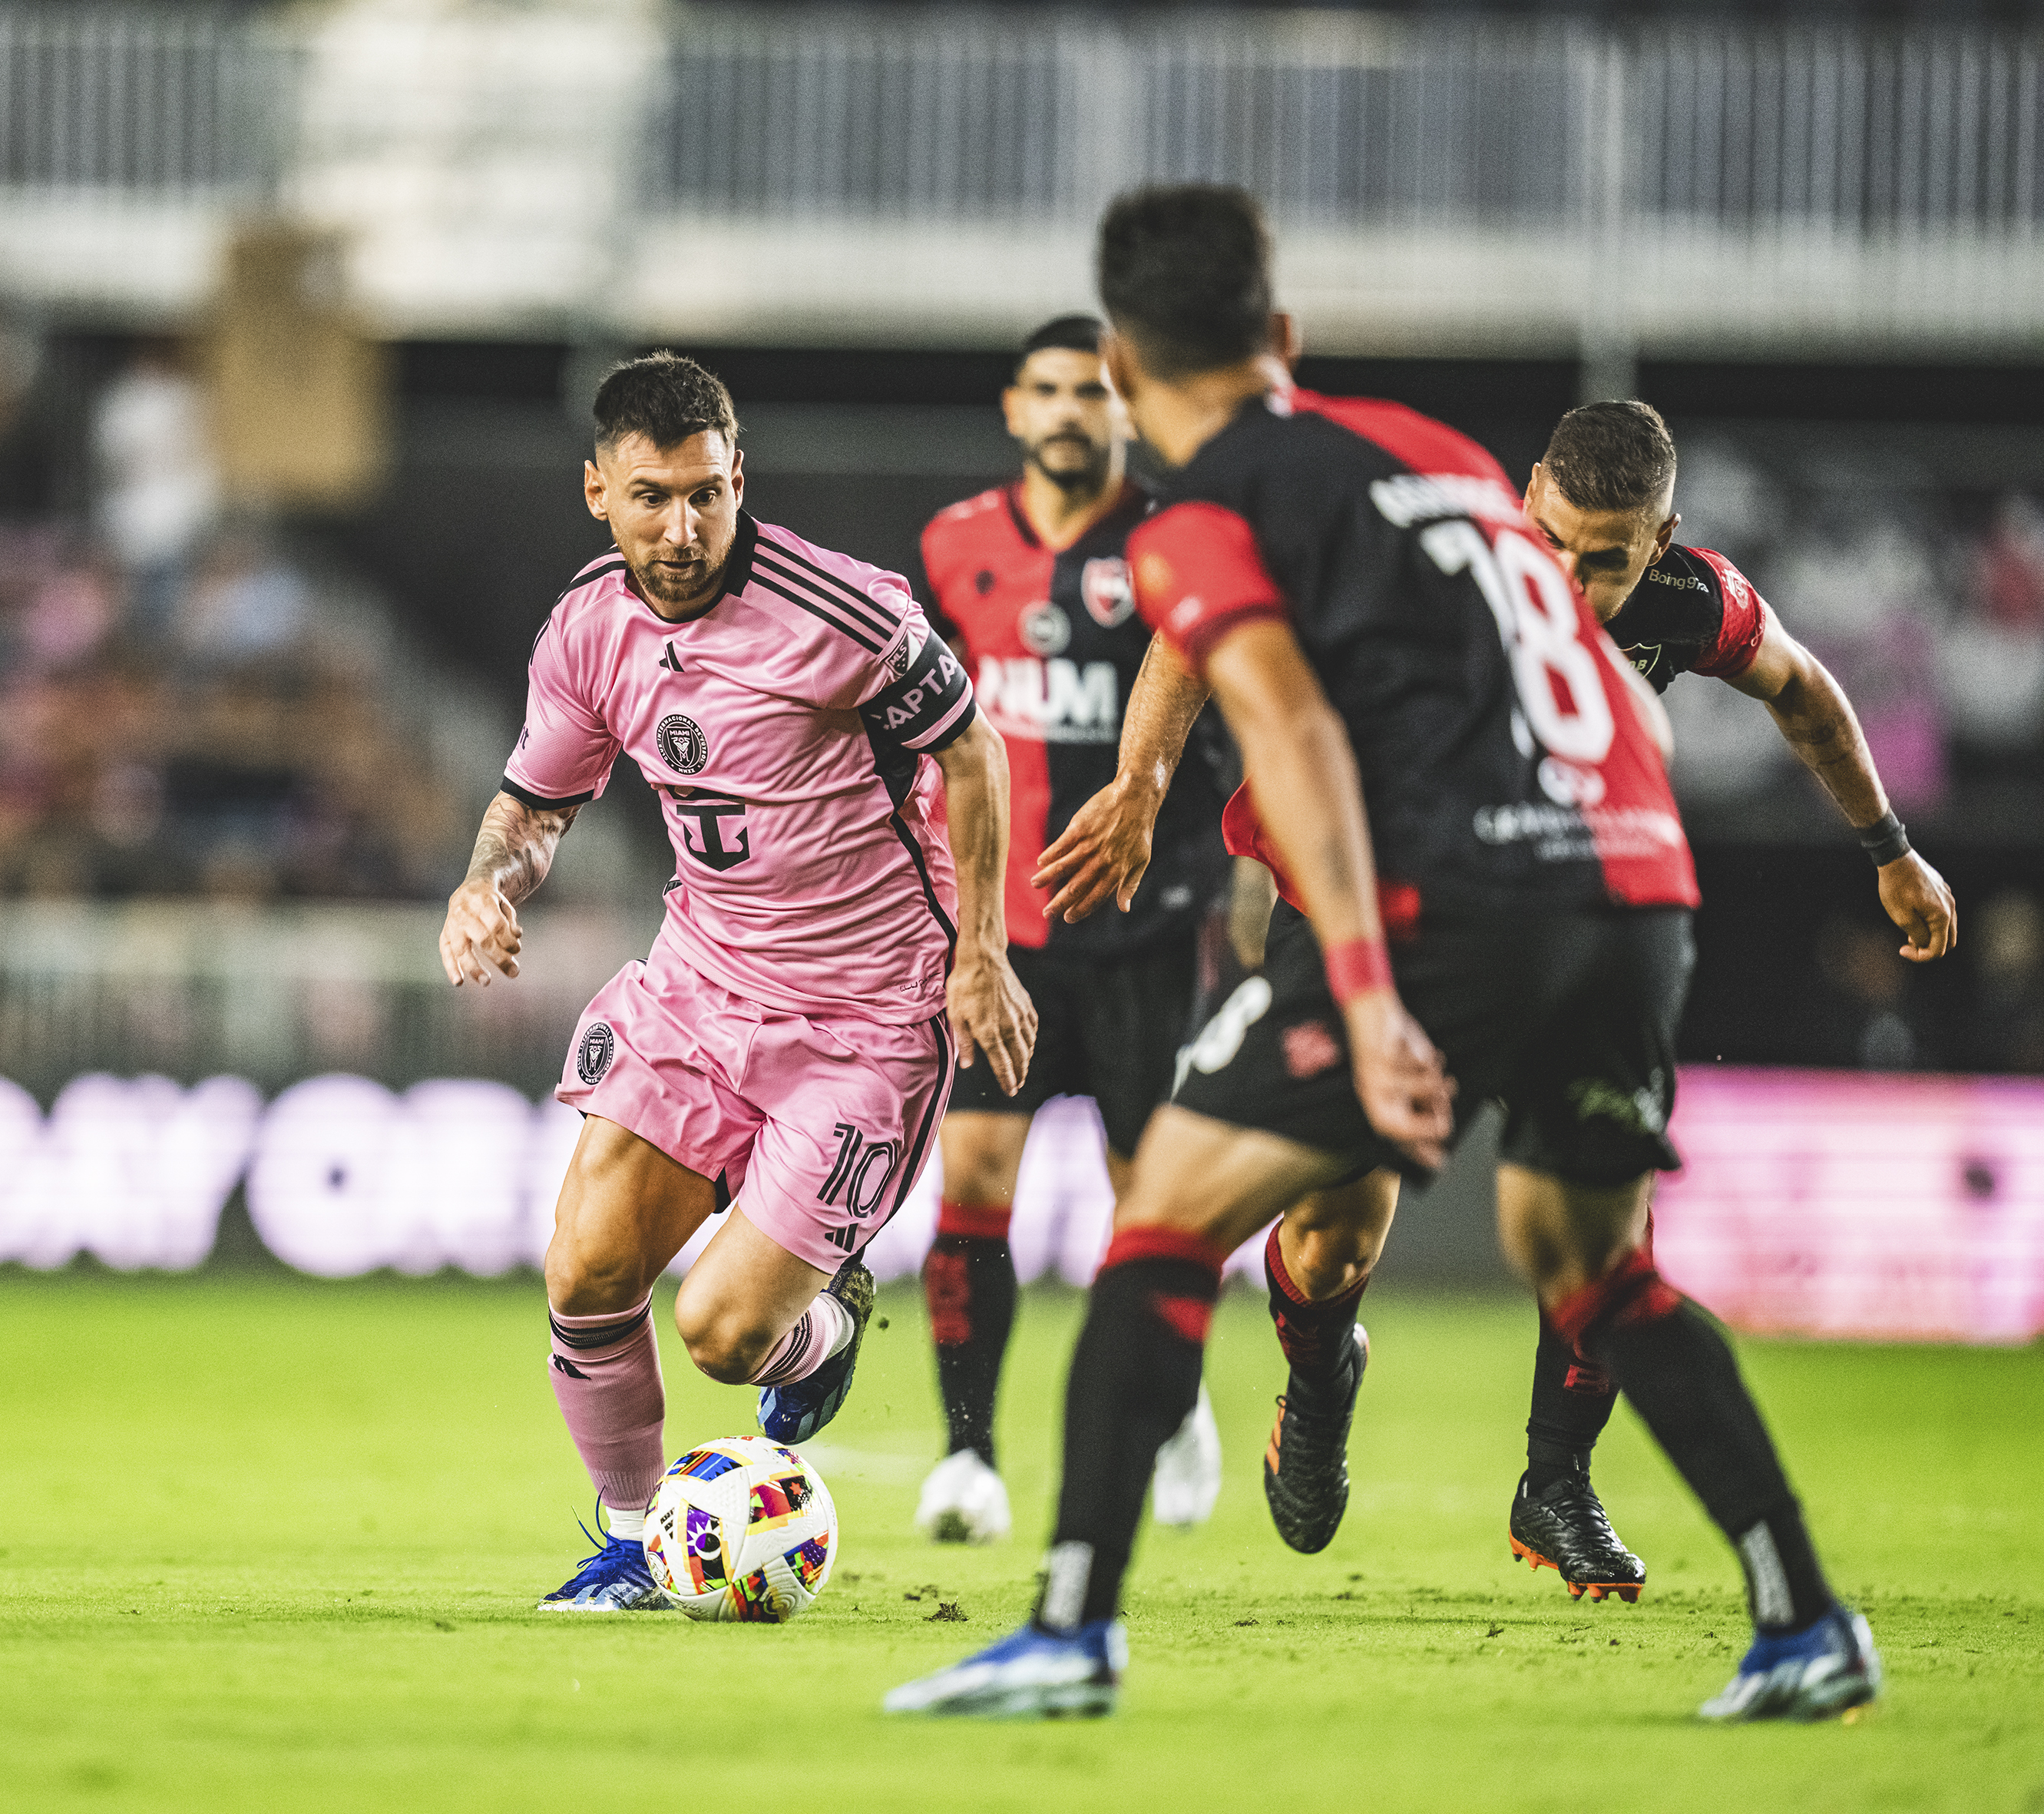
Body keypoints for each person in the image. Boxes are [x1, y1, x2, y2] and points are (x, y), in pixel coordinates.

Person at [888, 185, 1880, 1724]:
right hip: (1635, 884)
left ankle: (1071, 1628)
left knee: (1162, 1223)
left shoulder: (1211, 509)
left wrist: (1356, 986)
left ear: (1128, 378)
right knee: (1594, 1265)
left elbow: (1287, 727)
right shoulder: (1439, 455)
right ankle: (1804, 1618)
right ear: (1282, 335)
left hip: (1450, 900)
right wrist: (1887, 847)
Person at [439, 353, 1035, 1612]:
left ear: (739, 478)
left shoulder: (845, 611)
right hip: (703, 988)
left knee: (723, 1335)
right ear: (598, 491)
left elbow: (974, 752)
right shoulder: (587, 630)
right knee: (586, 1268)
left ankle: (821, 1331)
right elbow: (537, 803)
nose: (683, 528)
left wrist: (981, 953)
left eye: (706, 494)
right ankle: (634, 1544)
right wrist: (487, 883)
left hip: (869, 1017)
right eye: (652, 498)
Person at [1491, 399, 1956, 1594]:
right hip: (1407, 908)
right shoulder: (1447, 563)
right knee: (1336, 1221)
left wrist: (1891, 849)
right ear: (1526, 492)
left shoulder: (1690, 602)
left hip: (1572, 919)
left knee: (1611, 1210)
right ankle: (1318, 1372)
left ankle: (1557, 1482)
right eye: (1551, 542)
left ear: (1662, 541)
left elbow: (1805, 690)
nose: (1571, 584)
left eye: (1607, 560)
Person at [910, 313, 1235, 1545]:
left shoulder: (1172, 541)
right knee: (974, 1173)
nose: (1067, 411)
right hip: (1004, 936)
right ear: (1014, 407)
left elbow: (1231, 709)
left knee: (1148, 1196)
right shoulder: (951, 544)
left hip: (1146, 930)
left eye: (1091, 391)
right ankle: (969, 1456)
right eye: (1046, 389)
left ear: (1125, 410)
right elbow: (919, 727)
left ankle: (1176, 1397)